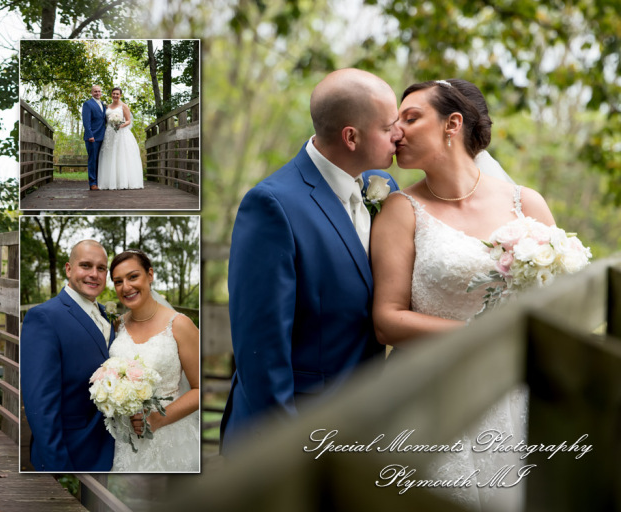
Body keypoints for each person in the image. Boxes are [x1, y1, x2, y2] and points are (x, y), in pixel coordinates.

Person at [371, 78, 555, 511]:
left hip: (516, 391)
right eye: (396, 121)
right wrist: (481, 335)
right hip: (433, 395)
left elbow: (555, 300)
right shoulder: (401, 211)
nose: (396, 131)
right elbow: (387, 319)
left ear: (452, 124)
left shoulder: (525, 204)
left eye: (411, 118)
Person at [220, 68, 402, 455]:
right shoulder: (272, 205)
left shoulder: (384, 190)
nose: (399, 134)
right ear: (351, 137)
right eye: (389, 127)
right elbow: (262, 353)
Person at [20, 240, 116, 471]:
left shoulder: (106, 315)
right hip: (70, 453)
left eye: (101, 268)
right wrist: (59, 467)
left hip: (109, 449)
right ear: (69, 269)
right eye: (86, 265)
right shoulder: (44, 317)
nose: (94, 274)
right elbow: (40, 404)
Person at [107, 250, 199, 472]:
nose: (126, 287)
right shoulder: (118, 325)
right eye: (118, 282)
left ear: (150, 275)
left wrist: (158, 419)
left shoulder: (179, 324)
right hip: (125, 439)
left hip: (170, 437)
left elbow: (200, 389)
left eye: (133, 277)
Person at [97, 87, 145, 190]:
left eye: (117, 94)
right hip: (109, 133)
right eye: (113, 93)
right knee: (109, 156)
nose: (115, 95)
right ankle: (110, 182)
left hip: (121, 133)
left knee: (121, 156)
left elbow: (128, 121)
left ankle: (123, 181)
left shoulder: (124, 106)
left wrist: (120, 125)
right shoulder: (107, 107)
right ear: (111, 94)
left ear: (120, 95)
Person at [82, 85, 108, 191]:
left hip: (104, 136)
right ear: (92, 92)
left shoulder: (103, 104)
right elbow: (86, 121)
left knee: (101, 160)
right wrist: (90, 135)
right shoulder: (88, 104)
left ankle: (99, 181)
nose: (97, 93)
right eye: (95, 91)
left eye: (99, 91)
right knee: (92, 160)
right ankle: (92, 183)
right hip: (93, 137)